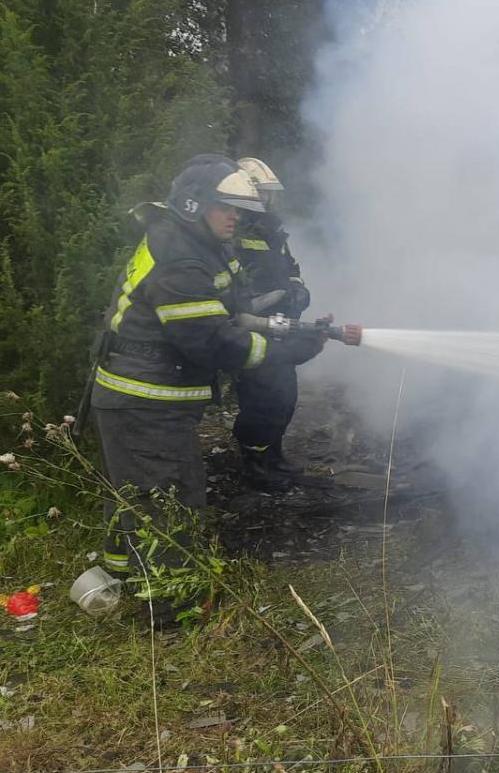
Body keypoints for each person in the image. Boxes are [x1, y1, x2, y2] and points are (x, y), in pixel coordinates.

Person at [92, 154, 325, 579]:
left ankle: (121, 580)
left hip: (143, 396)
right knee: (169, 498)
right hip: (144, 400)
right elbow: (210, 339)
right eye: (226, 207)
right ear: (193, 204)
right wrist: (283, 353)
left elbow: (233, 312)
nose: (235, 217)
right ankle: (168, 606)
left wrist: (292, 329)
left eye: (238, 208)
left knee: (135, 495)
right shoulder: (179, 256)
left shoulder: (204, 247)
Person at [230, 157, 312, 489]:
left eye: (269, 194)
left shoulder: (273, 229)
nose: (268, 201)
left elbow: (289, 266)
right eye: (262, 194)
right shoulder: (234, 232)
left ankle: (273, 455)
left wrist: (298, 289)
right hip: (253, 329)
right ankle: (254, 464)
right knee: (260, 400)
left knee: (285, 394)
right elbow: (236, 287)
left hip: (280, 326)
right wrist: (270, 298)